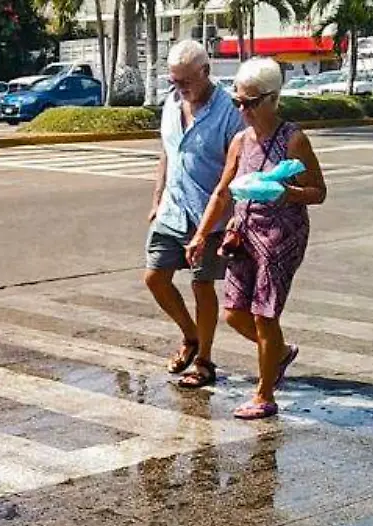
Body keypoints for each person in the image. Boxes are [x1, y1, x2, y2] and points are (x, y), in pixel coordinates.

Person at [187, 58, 326, 420]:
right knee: (234, 313)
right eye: (237, 102)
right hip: (244, 233)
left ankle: (265, 394)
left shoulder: (293, 139)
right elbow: (222, 192)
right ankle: (278, 354)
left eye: (249, 102)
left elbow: (319, 191)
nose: (242, 109)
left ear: (272, 99)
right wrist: (201, 235)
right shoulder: (239, 141)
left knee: (265, 315)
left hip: (282, 233)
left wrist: (288, 194)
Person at [146, 40, 245, 389]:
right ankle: (190, 336)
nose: (180, 88)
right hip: (173, 210)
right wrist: (157, 198)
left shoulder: (230, 112)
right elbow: (167, 152)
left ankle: (203, 360)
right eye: (175, 81)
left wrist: (235, 215)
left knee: (202, 284)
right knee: (155, 278)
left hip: (213, 215)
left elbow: (238, 170)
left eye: (186, 80)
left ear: (206, 72)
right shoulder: (171, 105)